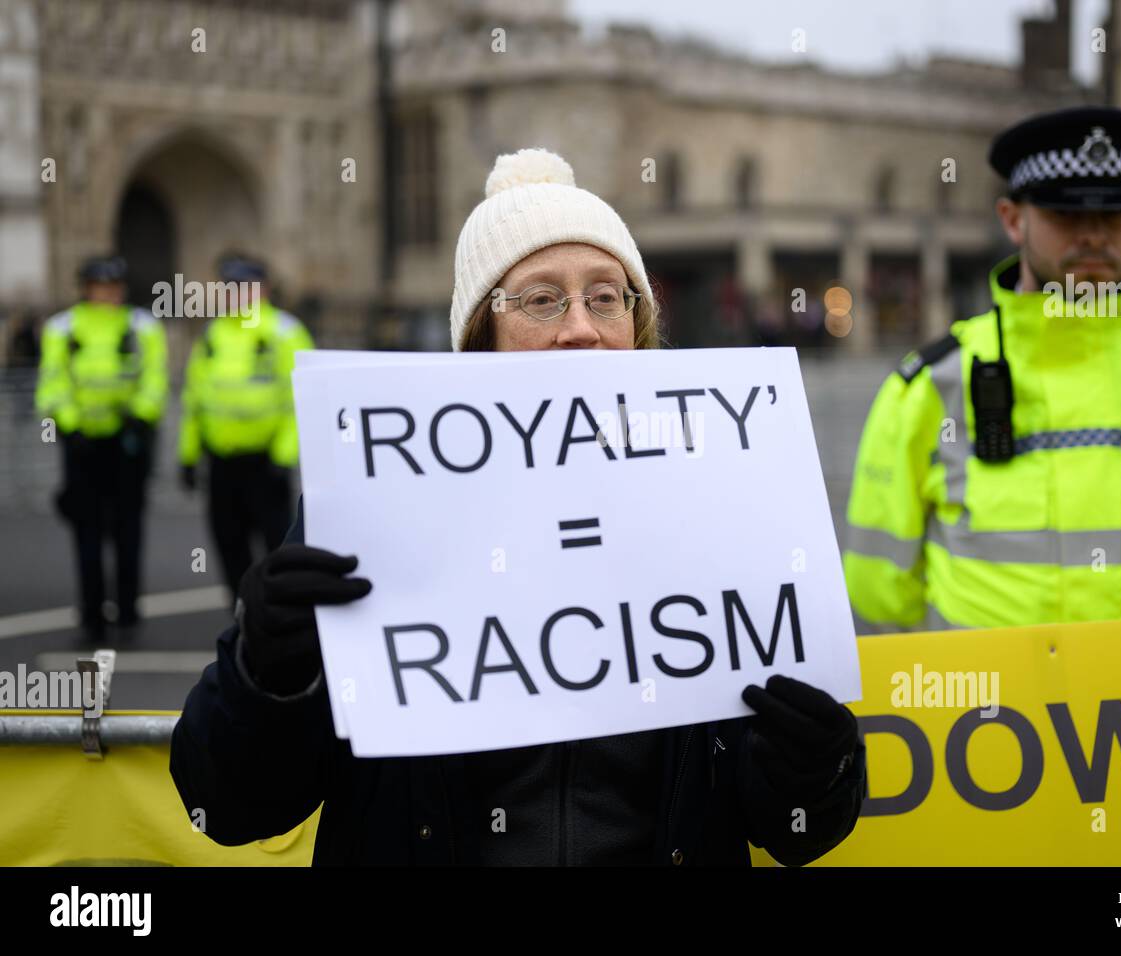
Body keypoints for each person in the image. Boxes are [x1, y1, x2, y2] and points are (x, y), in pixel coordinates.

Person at [171, 148, 866, 866]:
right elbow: (224, 807)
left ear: (637, 327)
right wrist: (267, 679)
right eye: (541, 299)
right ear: (481, 338)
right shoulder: (367, 514)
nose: (581, 328)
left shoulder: (728, 512)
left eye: (606, 297)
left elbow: (799, 831)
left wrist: (813, 766)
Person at [843, 106, 1121, 632]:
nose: (1094, 235)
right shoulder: (926, 390)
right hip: (997, 712)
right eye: (1067, 214)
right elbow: (879, 590)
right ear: (1013, 219)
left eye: (1114, 216)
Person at [34, 254, 168, 638]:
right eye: (101, 286)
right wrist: (71, 427)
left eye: (114, 287)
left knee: (128, 528)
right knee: (87, 530)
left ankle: (127, 609)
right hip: (82, 445)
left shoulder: (142, 325)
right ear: (87, 288)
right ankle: (92, 613)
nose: (108, 293)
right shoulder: (62, 327)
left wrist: (140, 416)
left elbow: (155, 376)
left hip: (127, 442)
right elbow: (53, 382)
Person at [176, 253, 314, 598]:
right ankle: (241, 626)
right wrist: (189, 454)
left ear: (263, 289)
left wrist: (284, 455)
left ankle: (281, 620)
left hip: (266, 464)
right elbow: (196, 398)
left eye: (244, 287)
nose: (236, 294)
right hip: (222, 464)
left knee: (277, 550)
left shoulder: (285, 332)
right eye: (231, 287)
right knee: (229, 547)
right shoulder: (213, 333)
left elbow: (301, 398)